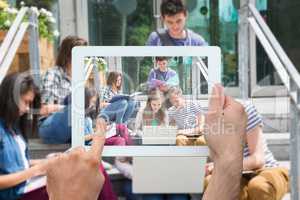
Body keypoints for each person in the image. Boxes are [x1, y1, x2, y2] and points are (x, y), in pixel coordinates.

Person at [45, 84, 248, 200]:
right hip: (148, 170)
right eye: (154, 103)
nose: (157, 106)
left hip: (165, 169)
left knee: (175, 191)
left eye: (159, 103)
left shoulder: (167, 116)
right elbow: (127, 152)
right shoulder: (142, 120)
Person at [204, 103, 289, 200]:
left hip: (266, 169)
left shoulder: (245, 111)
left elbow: (258, 160)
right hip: (237, 175)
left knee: (259, 187)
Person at [0, 73, 49, 200]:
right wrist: (35, 170)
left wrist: (46, 162)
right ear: (11, 98)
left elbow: (14, 164)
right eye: (25, 102)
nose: (27, 109)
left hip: (24, 189)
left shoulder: (13, 127)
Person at [38, 36, 88, 144]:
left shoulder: (78, 78)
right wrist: (73, 108)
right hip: (50, 125)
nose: (84, 59)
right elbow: (43, 108)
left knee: (87, 119)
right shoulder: (53, 74)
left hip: (72, 127)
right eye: (81, 54)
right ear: (69, 55)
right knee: (75, 111)